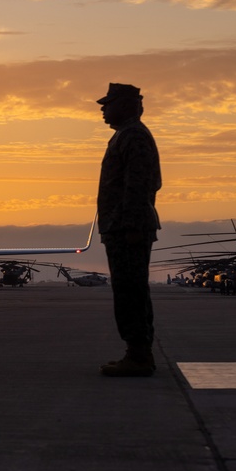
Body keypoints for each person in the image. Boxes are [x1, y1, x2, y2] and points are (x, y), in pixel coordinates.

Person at [96, 83, 162, 377]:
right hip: (121, 226)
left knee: (130, 291)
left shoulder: (133, 135)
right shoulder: (126, 135)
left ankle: (138, 356)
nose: (102, 109)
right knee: (130, 290)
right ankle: (138, 352)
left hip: (128, 228)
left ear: (124, 105)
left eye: (108, 103)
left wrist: (132, 226)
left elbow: (139, 185)